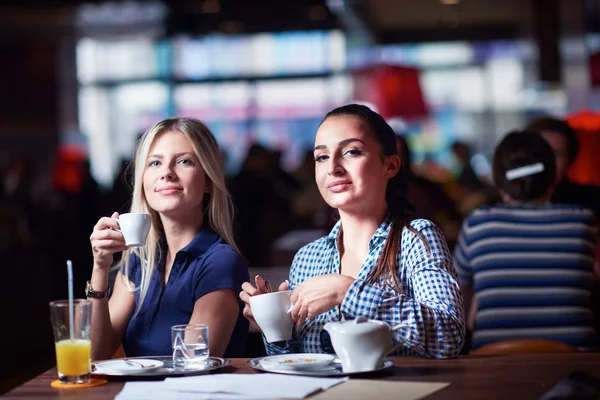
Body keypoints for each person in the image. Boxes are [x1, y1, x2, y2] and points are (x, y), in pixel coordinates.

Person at [240, 104, 465, 359]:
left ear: (390, 166)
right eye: (322, 157)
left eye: (351, 152)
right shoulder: (307, 259)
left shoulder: (417, 239)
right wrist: (275, 327)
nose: (333, 167)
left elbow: (449, 337)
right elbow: (298, 361)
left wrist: (347, 292)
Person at [88, 117, 249, 360]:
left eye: (184, 161)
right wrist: (100, 268)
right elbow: (95, 354)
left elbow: (193, 365)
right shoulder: (139, 259)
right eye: (154, 163)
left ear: (207, 180)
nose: (166, 173)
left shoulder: (220, 261)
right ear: (143, 181)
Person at [454, 131, 597, 351]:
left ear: (500, 182)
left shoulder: (478, 223)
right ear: (552, 178)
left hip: (492, 360)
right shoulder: (583, 222)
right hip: (575, 364)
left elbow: (457, 294)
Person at [525, 116, 600, 219]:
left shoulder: (592, 200)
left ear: (569, 159)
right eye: (541, 153)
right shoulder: (504, 200)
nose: (549, 161)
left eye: (557, 154)